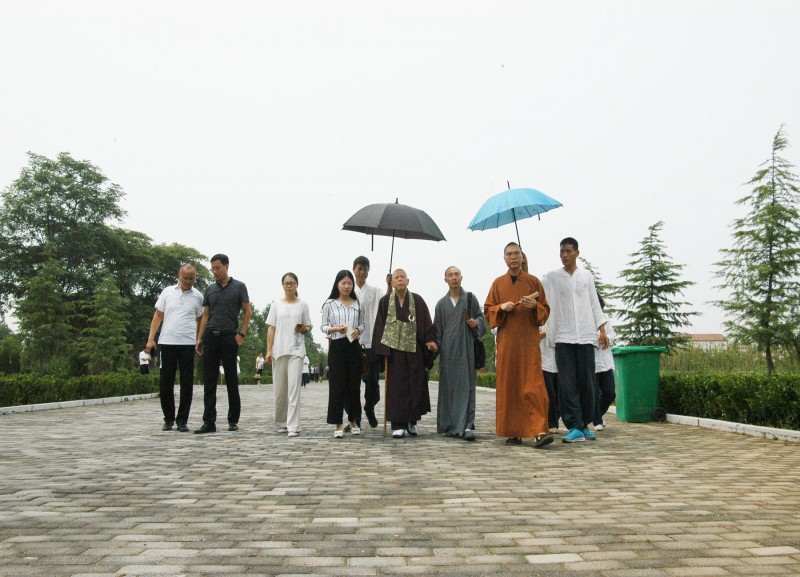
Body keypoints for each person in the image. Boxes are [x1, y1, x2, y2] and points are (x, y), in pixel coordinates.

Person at [484, 242, 553, 448]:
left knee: (534, 386)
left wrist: (535, 306)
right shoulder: (498, 284)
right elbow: (488, 310)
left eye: (516, 254)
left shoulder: (533, 283)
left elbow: (545, 310)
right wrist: (500, 307)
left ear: (523, 257)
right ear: (504, 259)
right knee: (510, 385)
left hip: (529, 343)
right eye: (509, 254)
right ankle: (513, 431)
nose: (513, 257)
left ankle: (540, 430)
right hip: (507, 344)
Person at [542, 237, 608, 444]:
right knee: (567, 384)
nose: (564, 255)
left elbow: (594, 304)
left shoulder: (586, 276)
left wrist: (602, 329)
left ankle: (584, 423)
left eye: (568, 251)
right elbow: (535, 285)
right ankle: (574, 425)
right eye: (561, 251)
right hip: (563, 337)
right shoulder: (553, 277)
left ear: (577, 253)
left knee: (588, 384)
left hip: (586, 336)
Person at [372, 269, 438, 439]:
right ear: (392, 282)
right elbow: (380, 326)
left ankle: (412, 421)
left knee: (415, 386)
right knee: (397, 387)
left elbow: (426, 323)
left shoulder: (417, 300)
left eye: (402, 277)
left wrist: (430, 341)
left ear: (408, 281)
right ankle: (398, 424)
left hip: (414, 350)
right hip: (394, 352)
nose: (400, 280)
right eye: (396, 278)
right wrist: (382, 350)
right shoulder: (385, 301)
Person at [194, 254, 252, 434]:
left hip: (229, 337)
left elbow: (247, 311)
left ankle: (233, 419)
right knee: (209, 381)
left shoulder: (239, 287)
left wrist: (242, 334)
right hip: (211, 336)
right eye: (213, 269)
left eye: (217, 268)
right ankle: (208, 422)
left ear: (226, 266)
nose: (215, 272)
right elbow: (205, 314)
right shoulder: (210, 289)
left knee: (231, 380)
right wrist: (200, 338)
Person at [146, 264, 204, 432]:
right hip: (167, 342)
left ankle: (182, 420)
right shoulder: (167, 292)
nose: (188, 281)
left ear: (195, 278)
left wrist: (199, 339)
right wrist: (151, 339)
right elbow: (158, 315)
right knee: (166, 382)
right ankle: (168, 418)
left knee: (187, 382)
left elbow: (202, 318)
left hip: (187, 343)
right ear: (179, 275)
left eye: (191, 278)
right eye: (185, 278)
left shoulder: (198, 296)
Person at [434, 266, 486, 441]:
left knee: (468, 388)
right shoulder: (441, 304)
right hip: (448, 353)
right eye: (450, 275)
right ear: (445, 279)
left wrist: (476, 322)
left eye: (457, 274)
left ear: (461, 278)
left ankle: (468, 425)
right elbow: (438, 332)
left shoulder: (470, 299)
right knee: (449, 388)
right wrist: (434, 347)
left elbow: (482, 318)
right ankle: (450, 425)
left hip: (466, 350)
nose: (454, 278)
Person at [266, 272, 312, 438]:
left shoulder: (303, 305)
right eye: (286, 283)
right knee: (280, 390)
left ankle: (293, 424)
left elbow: (308, 326)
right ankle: (281, 421)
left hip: (296, 350)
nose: (289, 285)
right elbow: (271, 328)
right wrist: (269, 350)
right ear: (282, 285)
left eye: (292, 282)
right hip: (279, 350)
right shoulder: (276, 305)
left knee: (293, 388)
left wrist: (303, 328)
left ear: (297, 285)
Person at [321, 269, 365, 438]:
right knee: (337, 386)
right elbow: (323, 326)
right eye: (343, 283)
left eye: (349, 283)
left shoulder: (357, 303)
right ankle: (338, 423)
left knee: (354, 385)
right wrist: (335, 329)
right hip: (337, 346)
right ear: (337, 284)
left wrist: (358, 331)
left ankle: (353, 420)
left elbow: (362, 324)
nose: (346, 286)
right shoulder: (330, 304)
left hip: (353, 346)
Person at [349, 255, 390, 429]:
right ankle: (354, 418)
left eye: (365, 268)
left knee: (372, 382)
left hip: (371, 342)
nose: (362, 271)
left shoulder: (374, 291)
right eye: (359, 268)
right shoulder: (348, 290)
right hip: (352, 343)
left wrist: (389, 284)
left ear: (368, 271)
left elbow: (387, 301)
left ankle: (369, 407)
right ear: (354, 270)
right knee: (352, 383)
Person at [593, 293, 616, 431]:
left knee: (609, 392)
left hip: (605, 361)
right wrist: (598, 338)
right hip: (592, 361)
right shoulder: (585, 319)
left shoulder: (605, 318)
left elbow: (612, 334)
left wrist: (607, 338)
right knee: (594, 393)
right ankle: (597, 420)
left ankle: (597, 415)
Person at [539, 323, 560, 434]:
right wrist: (547, 332)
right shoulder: (537, 316)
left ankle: (554, 420)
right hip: (543, 361)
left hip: (558, 359)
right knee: (550, 393)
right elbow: (532, 336)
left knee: (558, 394)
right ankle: (551, 423)